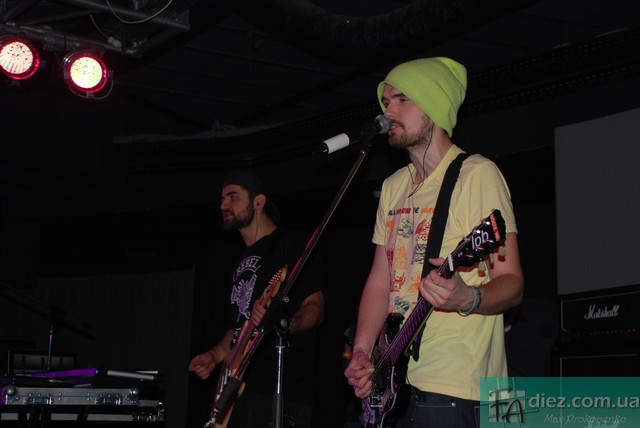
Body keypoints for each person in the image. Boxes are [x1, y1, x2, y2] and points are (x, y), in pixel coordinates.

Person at [343, 57, 524, 427]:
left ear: (435, 105)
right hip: (397, 385)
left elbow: (513, 283)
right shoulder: (393, 186)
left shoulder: (477, 175)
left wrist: (467, 298)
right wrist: (362, 351)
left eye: (402, 99)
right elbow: (380, 280)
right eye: (385, 101)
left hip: (458, 387)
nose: (388, 111)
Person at [189, 170, 325, 428]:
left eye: (233, 197)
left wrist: (287, 324)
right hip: (238, 393)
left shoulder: (290, 243)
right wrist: (215, 355)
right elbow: (237, 328)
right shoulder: (239, 262)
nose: (223, 205)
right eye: (222, 199)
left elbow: (315, 307)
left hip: (278, 392)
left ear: (259, 202)